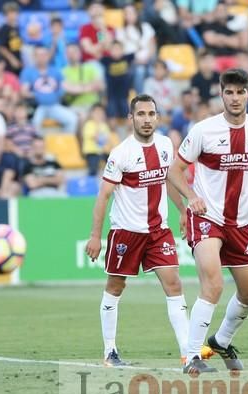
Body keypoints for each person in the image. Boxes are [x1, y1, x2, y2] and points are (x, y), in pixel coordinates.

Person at [168, 69, 248, 375]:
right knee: (213, 285)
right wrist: (190, 197)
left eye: (241, 92)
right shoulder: (204, 130)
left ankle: (222, 340)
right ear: (221, 94)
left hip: (239, 223)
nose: (235, 97)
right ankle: (191, 357)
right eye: (229, 92)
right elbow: (174, 171)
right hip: (206, 217)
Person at [86, 94, 192, 367]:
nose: (147, 119)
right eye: (141, 114)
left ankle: (188, 354)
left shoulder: (166, 145)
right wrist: (96, 236)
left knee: (174, 283)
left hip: (158, 231)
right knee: (115, 285)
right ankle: (110, 351)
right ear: (131, 119)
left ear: (157, 117)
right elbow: (103, 196)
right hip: (127, 232)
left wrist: (182, 210)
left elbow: (168, 178)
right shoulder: (121, 153)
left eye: (151, 114)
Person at [82, 103, 113, 176]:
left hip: (102, 151)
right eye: (96, 113)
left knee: (112, 161)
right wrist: (98, 125)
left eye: (101, 113)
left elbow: (107, 138)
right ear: (91, 114)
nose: (99, 115)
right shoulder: (88, 124)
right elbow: (95, 137)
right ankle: (91, 179)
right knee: (93, 167)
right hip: (91, 152)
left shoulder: (104, 125)